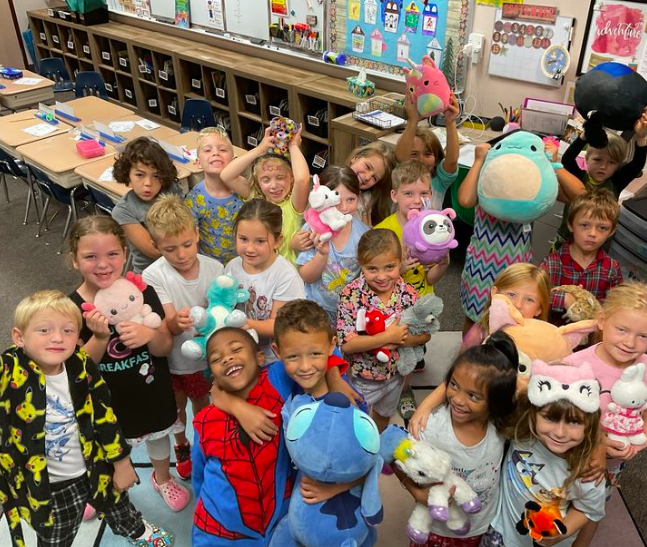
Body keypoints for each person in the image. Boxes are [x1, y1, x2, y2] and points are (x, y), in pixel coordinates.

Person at [0, 290, 172, 547]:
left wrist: (122, 463)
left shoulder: (80, 365)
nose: (58, 338)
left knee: (120, 507)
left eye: (68, 331)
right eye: (44, 330)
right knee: (57, 534)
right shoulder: (8, 372)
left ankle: (137, 530)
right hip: (51, 486)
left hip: (95, 465)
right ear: (19, 337)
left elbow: (105, 415)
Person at [68, 216, 190, 513]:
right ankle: (105, 486)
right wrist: (98, 337)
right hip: (106, 399)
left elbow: (164, 346)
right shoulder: (71, 307)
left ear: (124, 254)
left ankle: (162, 478)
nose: (103, 264)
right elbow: (78, 368)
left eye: (112, 254)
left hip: (150, 389)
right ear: (74, 260)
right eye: (90, 256)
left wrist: (149, 334)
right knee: (106, 445)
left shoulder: (142, 291)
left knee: (159, 434)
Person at [192, 323, 351, 546]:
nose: (227, 358)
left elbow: (321, 343)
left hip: (280, 519)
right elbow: (198, 476)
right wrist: (236, 406)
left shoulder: (276, 379)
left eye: (236, 350)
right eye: (217, 359)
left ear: (260, 358)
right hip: (217, 530)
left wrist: (334, 379)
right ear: (213, 377)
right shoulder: (205, 420)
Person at [395, 332, 519, 546]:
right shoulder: (431, 427)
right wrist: (418, 493)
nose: (458, 400)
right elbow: (395, 457)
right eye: (453, 385)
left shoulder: (501, 424)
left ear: (496, 401)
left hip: (482, 524)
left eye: (473, 396)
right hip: (436, 528)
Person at [458, 142, 584, 334]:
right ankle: (468, 355)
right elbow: (465, 200)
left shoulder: (531, 188)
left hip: (517, 271)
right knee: (475, 318)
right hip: (481, 267)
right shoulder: (488, 181)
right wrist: (479, 161)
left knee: (513, 323)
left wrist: (554, 164)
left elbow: (579, 195)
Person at [142, 195, 224, 480]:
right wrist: (177, 321)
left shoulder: (214, 268)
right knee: (176, 408)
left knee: (202, 404)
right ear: (155, 247)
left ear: (197, 234)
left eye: (187, 244)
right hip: (173, 359)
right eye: (170, 249)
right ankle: (182, 445)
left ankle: (202, 446)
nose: (181, 254)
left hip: (202, 359)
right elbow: (168, 324)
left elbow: (221, 307)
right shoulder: (154, 275)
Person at [481, 362, 605, 547]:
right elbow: (481, 373)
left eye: (573, 422)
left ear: (589, 425)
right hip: (500, 532)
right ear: (532, 414)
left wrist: (560, 534)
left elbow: (587, 510)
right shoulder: (523, 432)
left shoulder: (588, 471)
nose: (560, 433)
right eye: (550, 418)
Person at [564, 282, 647, 546]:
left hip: (611, 466)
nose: (630, 342)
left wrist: (642, 438)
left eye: (643, 336)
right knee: (558, 501)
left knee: (594, 507)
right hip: (567, 457)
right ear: (602, 321)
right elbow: (558, 416)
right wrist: (597, 441)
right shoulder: (575, 365)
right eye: (621, 329)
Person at [374, 160, 452, 419]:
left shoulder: (433, 225)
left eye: (424, 193)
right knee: (395, 350)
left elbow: (431, 278)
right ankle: (390, 385)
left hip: (423, 304)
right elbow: (375, 281)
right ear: (394, 196)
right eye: (409, 193)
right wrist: (401, 270)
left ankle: (405, 387)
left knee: (413, 351)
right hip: (393, 308)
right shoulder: (385, 232)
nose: (417, 200)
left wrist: (443, 263)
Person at [337, 229, 430, 433]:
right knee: (357, 421)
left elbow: (426, 334)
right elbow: (348, 344)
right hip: (363, 378)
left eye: (390, 267)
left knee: (383, 415)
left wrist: (400, 340)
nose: (381, 276)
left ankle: (378, 445)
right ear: (360, 264)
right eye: (372, 269)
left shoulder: (409, 295)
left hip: (397, 376)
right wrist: (386, 337)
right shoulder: (350, 295)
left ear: (400, 262)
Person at [224, 199, 305, 361]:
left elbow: (280, 325)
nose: (250, 248)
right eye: (243, 239)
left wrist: (240, 323)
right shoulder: (232, 267)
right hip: (241, 355)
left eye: (260, 241)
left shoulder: (286, 276)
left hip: (273, 359)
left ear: (277, 240)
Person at [555, 110, 647, 249]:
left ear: (618, 164)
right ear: (587, 158)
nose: (603, 167)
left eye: (611, 163)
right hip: (567, 241)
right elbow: (567, 159)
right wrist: (586, 134)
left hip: (596, 246)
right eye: (598, 160)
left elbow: (636, 165)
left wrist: (641, 137)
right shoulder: (579, 178)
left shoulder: (616, 182)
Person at [220, 126, 310, 263]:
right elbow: (226, 175)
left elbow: (303, 179)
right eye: (266, 180)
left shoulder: (294, 204)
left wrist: (293, 146)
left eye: (280, 178)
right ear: (257, 181)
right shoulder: (256, 198)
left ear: (291, 178)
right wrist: (260, 148)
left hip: (286, 275)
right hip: (258, 270)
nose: (274, 186)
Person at [296, 166, 370, 325]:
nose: (344, 208)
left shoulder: (364, 235)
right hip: (314, 309)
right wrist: (322, 255)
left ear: (359, 197)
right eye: (336, 201)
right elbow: (306, 276)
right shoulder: (312, 230)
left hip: (349, 312)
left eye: (351, 199)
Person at [540, 189, 623, 321]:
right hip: (555, 335)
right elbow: (537, 298)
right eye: (585, 225)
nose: (592, 233)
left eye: (602, 228)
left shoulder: (612, 268)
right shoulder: (551, 264)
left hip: (592, 336)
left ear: (611, 231)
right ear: (570, 225)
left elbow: (616, 307)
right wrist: (565, 300)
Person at [111, 137, 184, 273]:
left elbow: (187, 226)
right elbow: (154, 251)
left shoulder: (171, 190)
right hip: (152, 272)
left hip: (183, 262)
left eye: (156, 176)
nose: (148, 183)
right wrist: (186, 247)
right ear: (128, 174)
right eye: (140, 175)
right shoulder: (123, 210)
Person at [185, 126, 246, 265]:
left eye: (223, 149)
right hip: (212, 266)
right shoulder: (195, 198)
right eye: (207, 150)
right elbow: (191, 237)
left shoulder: (244, 190)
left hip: (245, 262)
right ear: (198, 162)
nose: (215, 153)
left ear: (234, 159)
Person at [394, 92, 460, 211]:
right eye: (414, 154)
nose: (421, 160)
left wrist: (450, 122)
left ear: (436, 158)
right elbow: (400, 156)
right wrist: (413, 121)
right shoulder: (400, 175)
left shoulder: (439, 181)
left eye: (428, 154)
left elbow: (452, 161)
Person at [462, 263, 551, 351]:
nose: (518, 305)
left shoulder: (543, 341)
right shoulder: (479, 334)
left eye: (529, 300)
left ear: (539, 309)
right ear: (495, 294)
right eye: (512, 294)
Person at [346, 141, 397, 226]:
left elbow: (366, 231)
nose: (367, 177)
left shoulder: (366, 202)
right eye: (368, 167)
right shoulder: (329, 185)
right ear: (355, 158)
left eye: (374, 178)